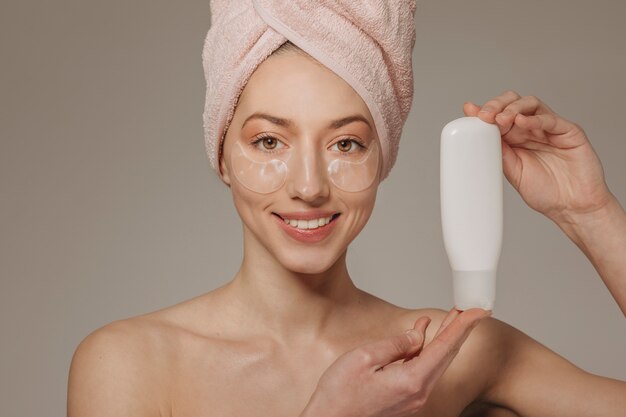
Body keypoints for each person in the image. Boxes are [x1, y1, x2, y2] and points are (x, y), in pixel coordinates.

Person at [67, 4, 626, 417]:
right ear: (223, 156)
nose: (308, 186)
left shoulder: (455, 352)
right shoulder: (129, 364)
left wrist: (590, 213)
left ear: (382, 158)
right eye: (268, 142)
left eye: (346, 144)